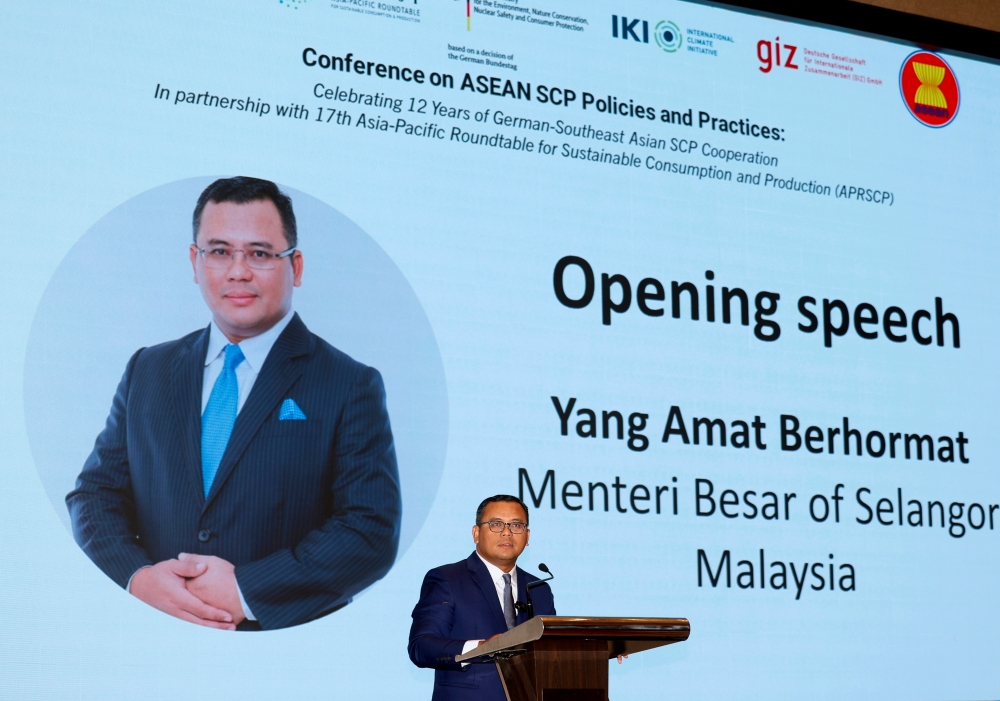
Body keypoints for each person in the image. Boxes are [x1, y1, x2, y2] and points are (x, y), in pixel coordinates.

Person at [66, 176, 401, 631]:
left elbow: (369, 532)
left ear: (296, 267)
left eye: (260, 253)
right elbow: (95, 494)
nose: (238, 271)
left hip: (281, 651)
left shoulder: (348, 383)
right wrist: (138, 577)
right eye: (219, 251)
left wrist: (247, 589)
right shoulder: (148, 368)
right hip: (147, 633)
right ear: (195, 261)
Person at [408, 495, 555, 701]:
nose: (507, 532)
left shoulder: (539, 589)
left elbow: (552, 651)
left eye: (516, 525)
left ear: (527, 536)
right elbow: (421, 647)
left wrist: (602, 650)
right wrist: (481, 648)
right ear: (476, 533)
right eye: (496, 524)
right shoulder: (447, 579)